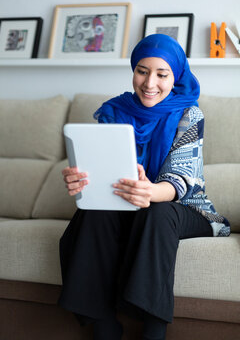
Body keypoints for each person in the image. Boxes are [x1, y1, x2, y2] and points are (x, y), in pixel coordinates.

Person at [58, 34, 230, 340]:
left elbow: (180, 179)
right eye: (142, 71)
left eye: (162, 74)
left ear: (175, 76)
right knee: (92, 214)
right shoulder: (114, 111)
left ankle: (153, 329)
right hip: (128, 204)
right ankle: (104, 325)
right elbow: (104, 173)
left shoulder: (190, 114)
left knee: (158, 212)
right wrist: (82, 180)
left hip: (183, 207)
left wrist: (150, 192)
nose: (150, 83)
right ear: (133, 70)